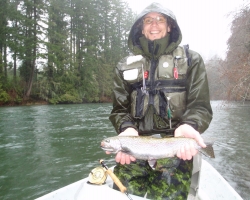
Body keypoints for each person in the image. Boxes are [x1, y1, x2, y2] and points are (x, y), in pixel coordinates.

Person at [107, 2, 213, 200]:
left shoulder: (192, 60)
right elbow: (118, 110)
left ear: (170, 25)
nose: (154, 25)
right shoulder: (124, 65)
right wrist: (126, 129)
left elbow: (200, 107)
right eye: (148, 20)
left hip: (175, 147)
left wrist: (189, 126)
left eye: (160, 19)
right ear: (141, 26)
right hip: (135, 146)